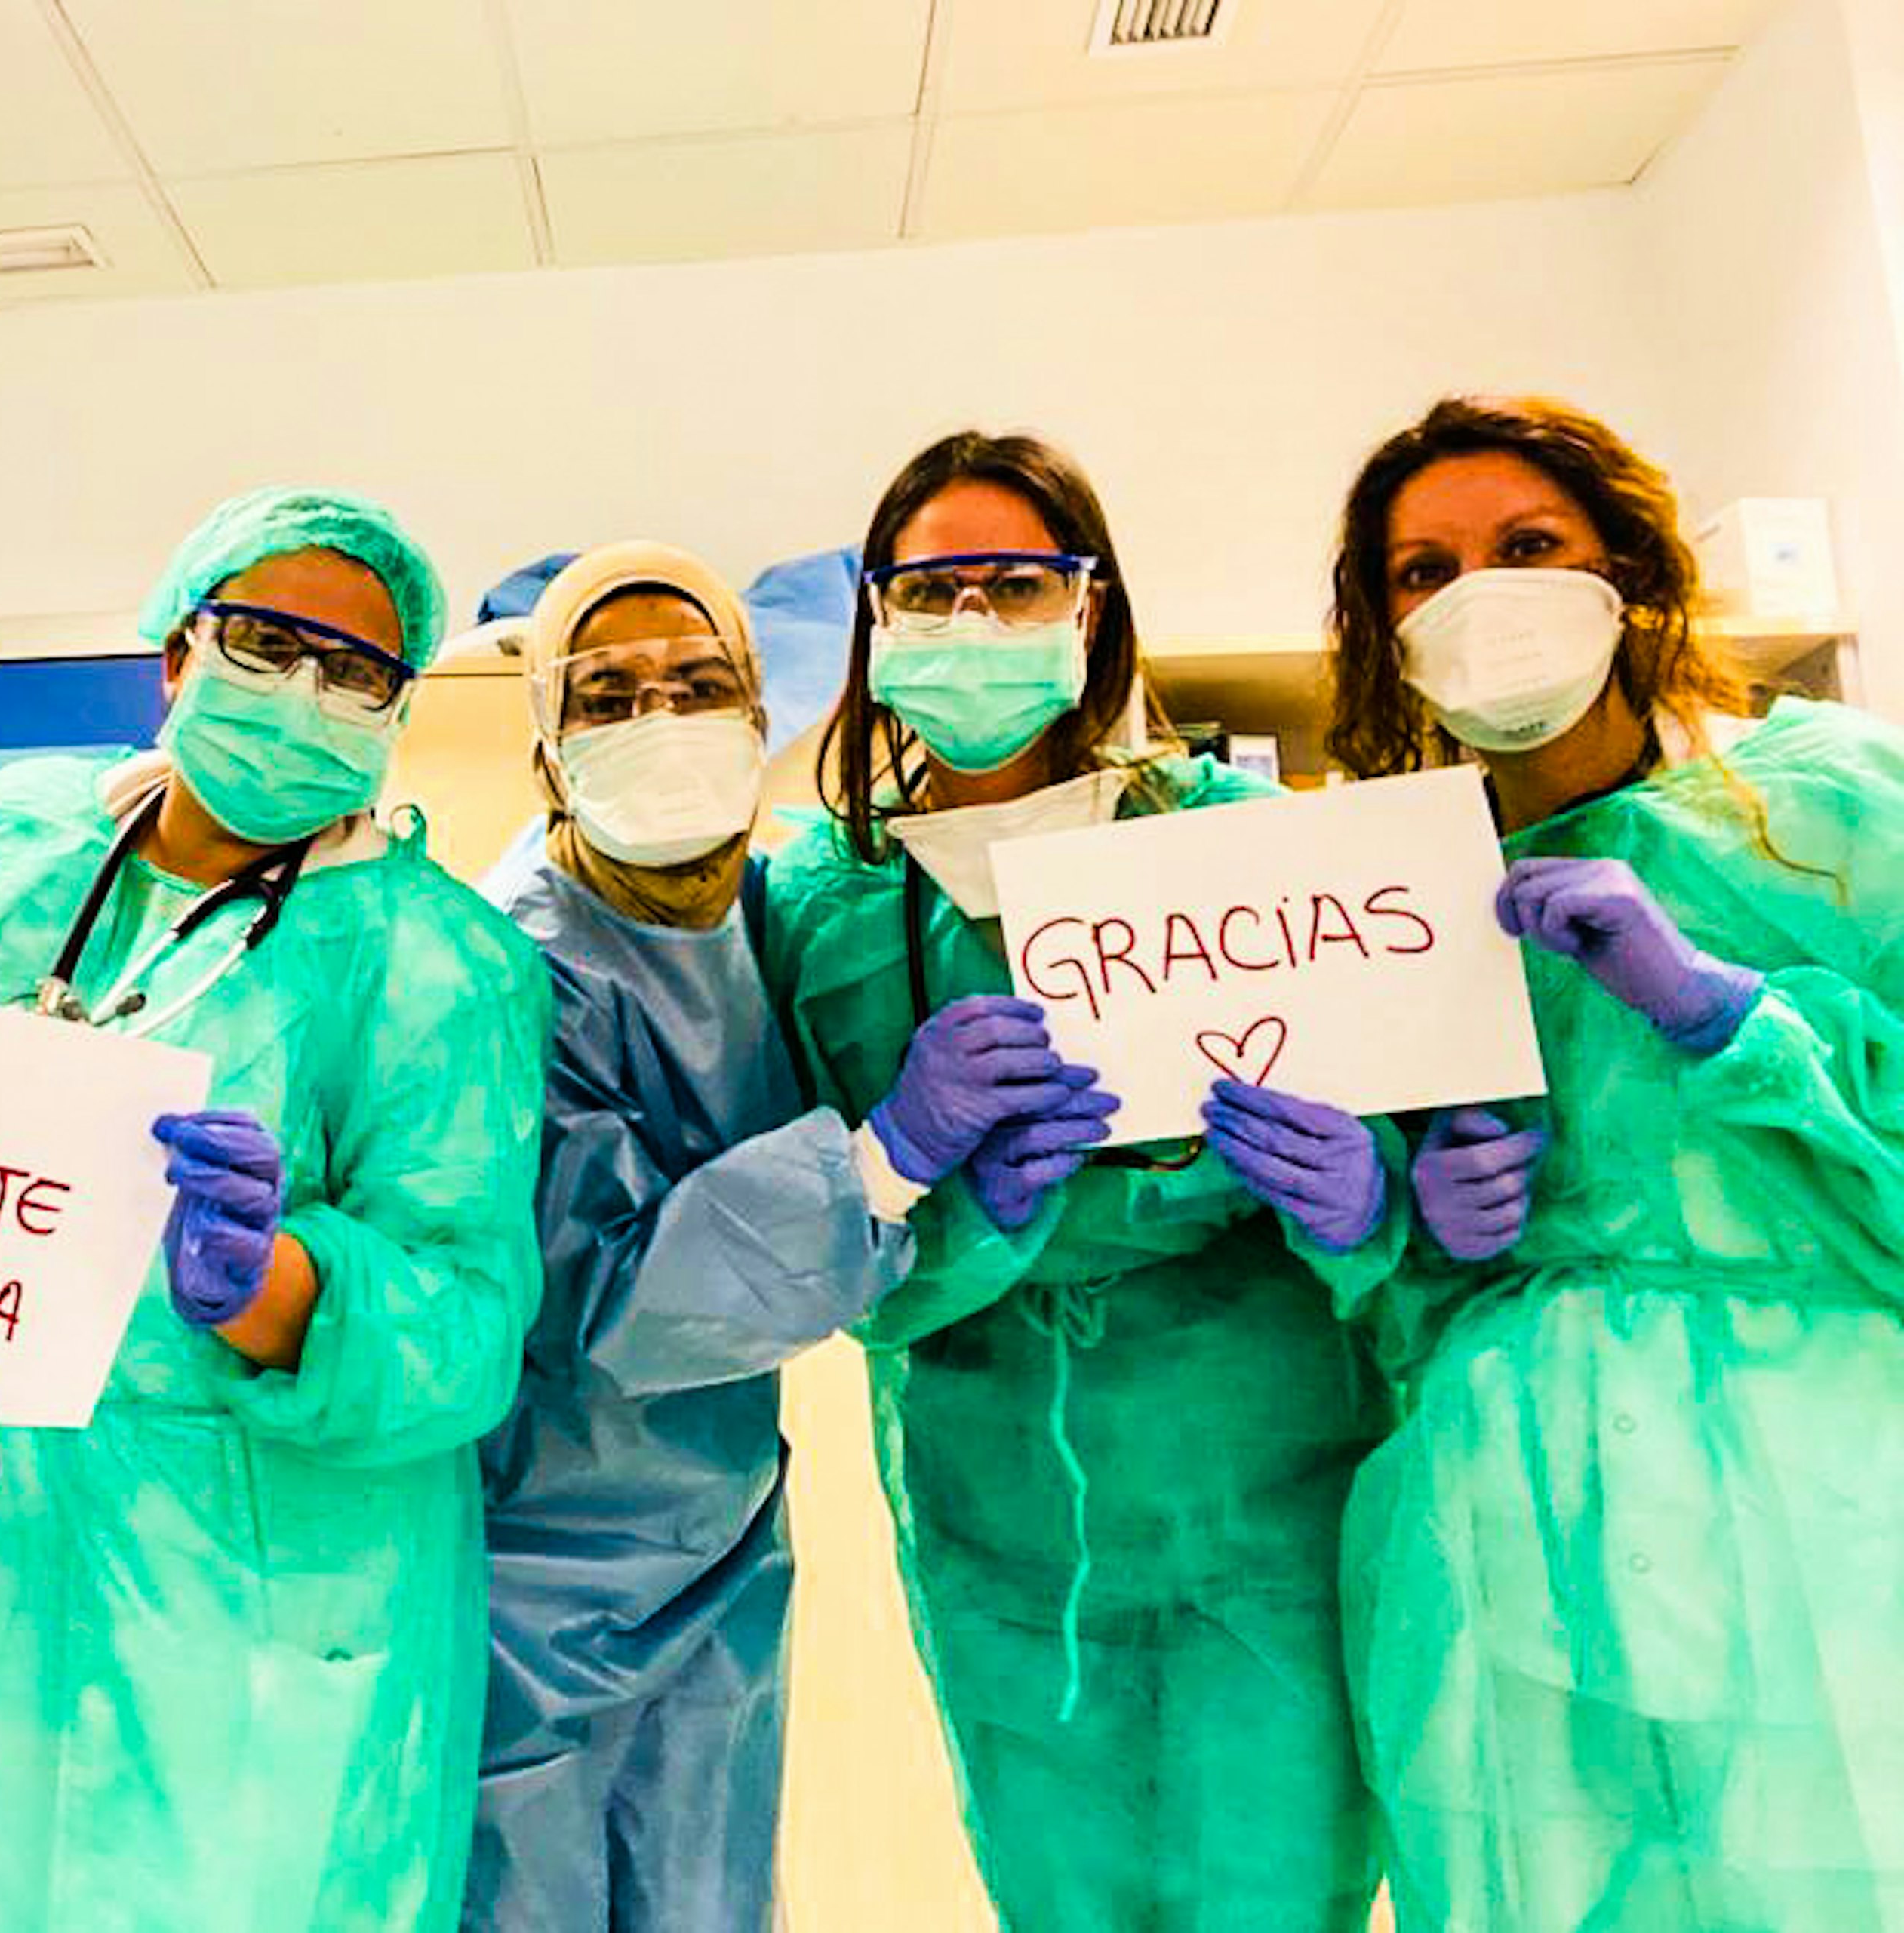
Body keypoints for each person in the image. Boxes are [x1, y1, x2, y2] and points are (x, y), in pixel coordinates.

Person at [0, 485, 549, 1931]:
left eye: (356, 669)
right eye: (262, 638)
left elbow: (472, 1320)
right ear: (175, 656)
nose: (304, 689)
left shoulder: (445, 961)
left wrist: (277, 1284)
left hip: (254, 1640)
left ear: (395, 710)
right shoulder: (7, 848)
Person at [759, 431, 1401, 1930]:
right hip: (1003, 1543)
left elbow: (1423, 1198)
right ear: (874, 617)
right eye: (933, 591)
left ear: (1090, 609)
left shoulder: (1243, 855)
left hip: (1265, 1518)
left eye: (1017, 584)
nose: (973, 625)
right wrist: (943, 1189)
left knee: (1276, 1887)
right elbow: (820, 1256)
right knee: (1061, 1894)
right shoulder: (825, 908)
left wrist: (1362, 1205)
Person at [1325, 394, 1904, 1929]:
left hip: (1827, 1479)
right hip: (1512, 1502)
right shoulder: (1388, 892)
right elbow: (1374, 1309)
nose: (1478, 594)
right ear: (1382, 629)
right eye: (1422, 571)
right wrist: (1410, 1227)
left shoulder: (1834, 805)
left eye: (1528, 547)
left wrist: (1737, 1019)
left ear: (1629, 578)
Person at [466, 541, 909, 1932]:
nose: (661, 718)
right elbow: (610, 1304)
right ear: (548, 745)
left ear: (759, 715)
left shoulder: (766, 919)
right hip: (533, 1579)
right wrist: (882, 1170)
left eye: (699, 681)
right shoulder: (515, 963)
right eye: (608, 694)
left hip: (720, 1546)